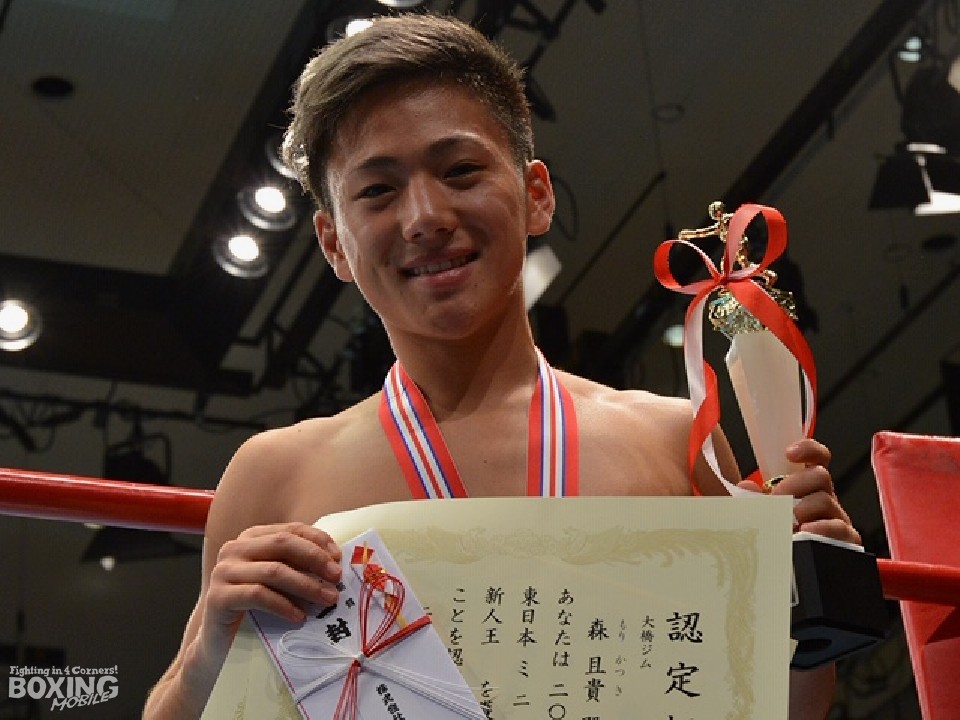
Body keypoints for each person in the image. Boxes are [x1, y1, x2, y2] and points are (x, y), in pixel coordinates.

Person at [143, 13, 860, 720]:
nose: (425, 216)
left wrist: (816, 586)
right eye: (378, 190)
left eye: (460, 171)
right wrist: (209, 652)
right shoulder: (272, 476)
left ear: (536, 195)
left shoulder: (674, 440)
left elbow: (774, 710)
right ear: (334, 243)